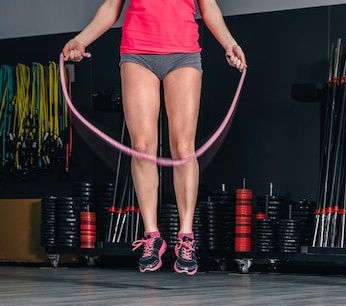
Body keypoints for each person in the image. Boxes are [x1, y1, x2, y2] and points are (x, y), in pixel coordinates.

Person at [63, 0, 247, 275]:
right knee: (142, 147)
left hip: (183, 54)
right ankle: (152, 235)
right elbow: (111, 7)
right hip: (137, 53)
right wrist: (80, 40)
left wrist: (229, 43)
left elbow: (209, 8)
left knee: (184, 147)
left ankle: (186, 236)